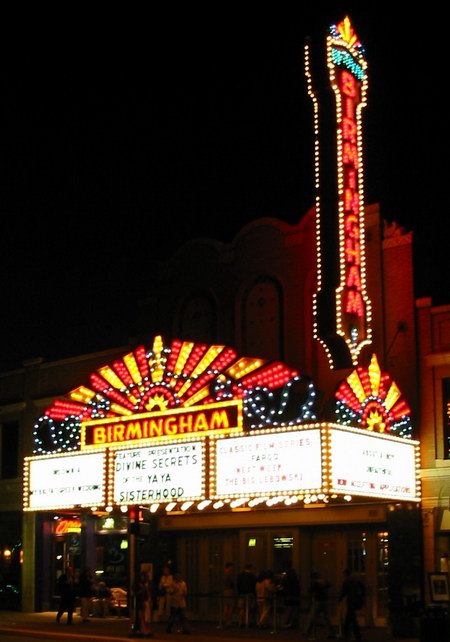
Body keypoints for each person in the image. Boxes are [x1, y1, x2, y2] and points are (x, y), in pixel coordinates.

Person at [304, 571, 334, 639]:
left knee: (311, 617)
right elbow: (329, 585)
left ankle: (307, 632)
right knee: (326, 618)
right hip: (325, 601)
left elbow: (310, 590)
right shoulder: (323, 581)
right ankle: (331, 632)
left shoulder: (314, 583)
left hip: (318, 601)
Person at [338, 568, 365, 642]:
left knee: (350, 619)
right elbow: (363, 588)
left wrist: (339, 599)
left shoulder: (347, 581)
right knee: (350, 618)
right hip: (355, 601)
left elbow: (344, 592)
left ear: (345, 574)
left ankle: (349, 635)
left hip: (351, 602)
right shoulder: (356, 580)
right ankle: (352, 635)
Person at [279, 560, 300, 628]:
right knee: (294, 609)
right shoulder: (294, 575)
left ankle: (286, 623)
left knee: (288, 609)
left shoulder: (286, 576)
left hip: (288, 594)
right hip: (295, 594)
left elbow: (283, 584)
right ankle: (292, 623)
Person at [236, 563, 257, 628]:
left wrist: (239, 593)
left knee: (241, 609)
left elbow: (238, 585)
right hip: (249, 594)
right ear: (250, 568)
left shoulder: (240, 576)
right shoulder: (252, 576)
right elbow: (254, 586)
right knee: (248, 609)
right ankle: (247, 622)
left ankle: (240, 623)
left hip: (242, 594)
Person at [134, 570, 153, 637]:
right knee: (142, 616)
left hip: (145, 601)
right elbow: (137, 592)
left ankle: (146, 630)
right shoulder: (140, 584)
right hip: (141, 601)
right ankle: (144, 630)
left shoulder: (147, 584)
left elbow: (149, 592)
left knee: (147, 617)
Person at [222, 561, 236, 627]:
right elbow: (232, 583)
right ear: (229, 567)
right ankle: (229, 621)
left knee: (226, 606)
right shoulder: (229, 574)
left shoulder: (224, 573)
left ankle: (226, 620)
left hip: (225, 591)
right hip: (229, 591)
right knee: (230, 606)